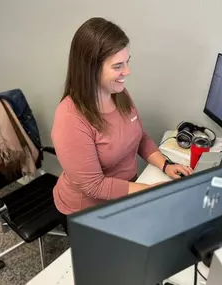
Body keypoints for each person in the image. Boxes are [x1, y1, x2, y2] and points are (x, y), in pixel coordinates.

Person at [51, 17, 192, 233]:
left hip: (124, 193)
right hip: (88, 212)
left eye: (127, 62)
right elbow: (94, 186)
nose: (127, 72)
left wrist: (165, 165)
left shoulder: (118, 93)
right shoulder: (70, 118)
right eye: (118, 66)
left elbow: (140, 137)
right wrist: (148, 191)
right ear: (91, 69)